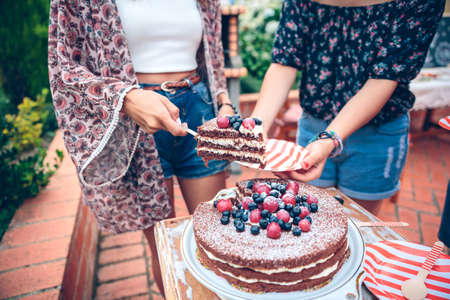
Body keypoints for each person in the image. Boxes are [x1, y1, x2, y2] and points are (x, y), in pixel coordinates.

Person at [48, 0, 234, 296]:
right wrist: (126, 98)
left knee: (218, 235)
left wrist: (223, 100)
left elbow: (212, 50)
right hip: (134, 122)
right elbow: (64, 70)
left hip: (199, 111)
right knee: (165, 249)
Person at [252, 0, 445, 215]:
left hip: (376, 133)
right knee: (312, 220)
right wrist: (255, 128)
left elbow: (385, 78)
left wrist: (329, 140)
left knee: (360, 222)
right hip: (313, 125)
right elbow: (284, 62)